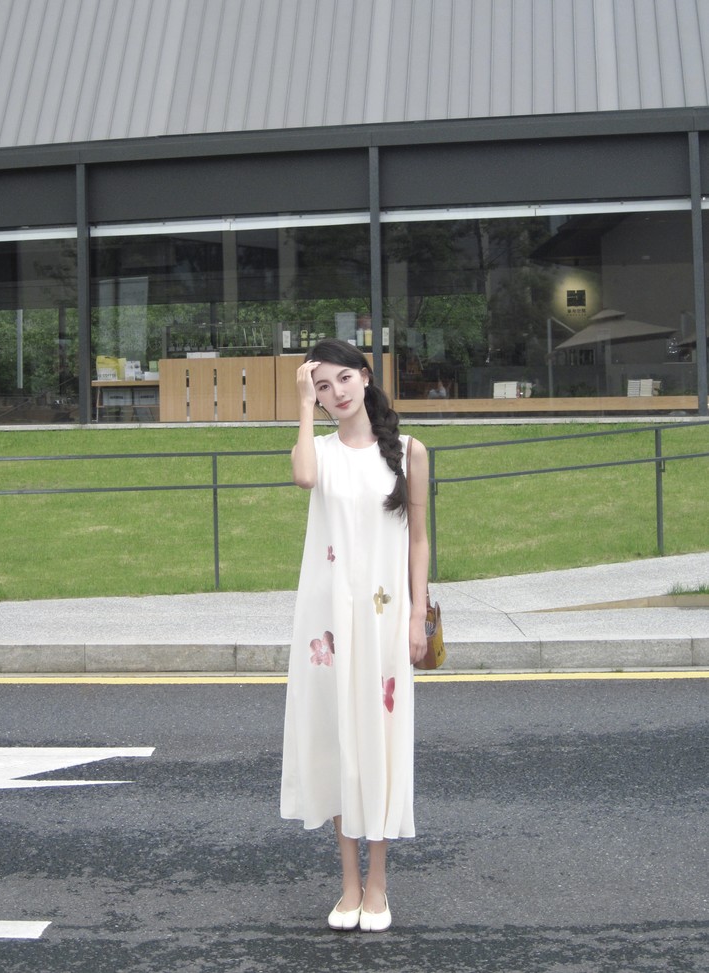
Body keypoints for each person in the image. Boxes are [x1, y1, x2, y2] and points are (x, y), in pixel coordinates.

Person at [280, 338, 429, 933]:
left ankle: (378, 885)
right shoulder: (316, 450)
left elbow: (419, 539)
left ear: (366, 377)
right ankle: (347, 885)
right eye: (322, 386)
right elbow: (302, 479)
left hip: (387, 620)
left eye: (343, 378)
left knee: (380, 745)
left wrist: (417, 616)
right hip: (327, 627)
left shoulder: (410, 452)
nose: (336, 393)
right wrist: (301, 404)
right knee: (338, 745)